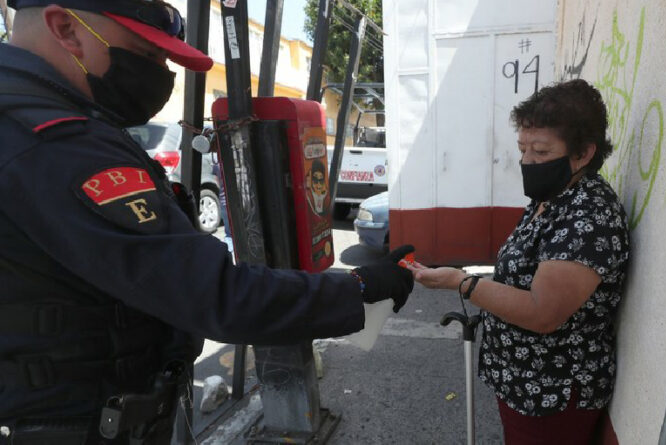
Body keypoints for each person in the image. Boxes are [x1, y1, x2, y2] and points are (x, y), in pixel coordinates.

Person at [0, 1, 415, 443]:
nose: (161, 73)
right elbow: (216, 295)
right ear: (66, 27)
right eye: (146, 55)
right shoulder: (54, 143)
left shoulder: (51, 121)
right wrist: (361, 288)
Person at [407, 79, 630, 444]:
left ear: (584, 153)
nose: (527, 161)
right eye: (523, 148)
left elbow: (543, 312)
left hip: (552, 395)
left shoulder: (589, 217)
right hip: (523, 384)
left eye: (540, 152)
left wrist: (463, 283)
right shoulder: (553, 195)